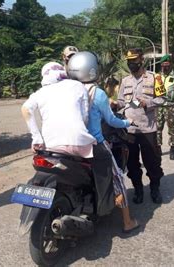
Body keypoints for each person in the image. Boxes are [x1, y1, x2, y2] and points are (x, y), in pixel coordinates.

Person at [67, 51, 139, 232]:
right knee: (118, 179)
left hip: (70, 144)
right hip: (95, 144)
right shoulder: (97, 92)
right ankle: (128, 222)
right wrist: (127, 122)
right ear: (92, 69)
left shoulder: (67, 89)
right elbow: (111, 121)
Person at [117, 48, 165, 204]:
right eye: (129, 61)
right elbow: (121, 102)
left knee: (152, 161)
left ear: (141, 60)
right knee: (131, 163)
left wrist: (148, 103)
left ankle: (155, 188)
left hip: (148, 129)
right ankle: (138, 189)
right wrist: (112, 104)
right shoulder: (125, 81)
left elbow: (162, 99)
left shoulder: (154, 78)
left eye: (134, 61)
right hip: (129, 129)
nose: (131, 64)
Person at [21, 62, 96, 157]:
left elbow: (25, 109)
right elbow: (85, 116)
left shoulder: (40, 93)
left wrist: (36, 138)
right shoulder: (78, 85)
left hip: (52, 145)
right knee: (102, 158)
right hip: (80, 143)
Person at [156, 55, 174, 160]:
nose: (165, 67)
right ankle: (158, 148)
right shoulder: (157, 76)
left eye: (167, 65)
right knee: (158, 128)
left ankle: (173, 149)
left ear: (170, 65)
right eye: (164, 65)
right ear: (161, 65)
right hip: (158, 106)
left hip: (171, 106)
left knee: (172, 128)